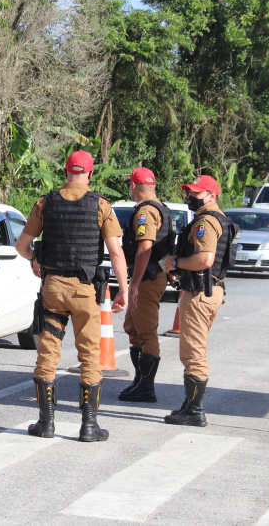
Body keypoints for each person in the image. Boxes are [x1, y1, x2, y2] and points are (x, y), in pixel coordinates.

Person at [16, 150, 129, 442]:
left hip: (53, 286)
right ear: (90, 174)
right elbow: (116, 252)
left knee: (47, 354)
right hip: (84, 290)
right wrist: (124, 291)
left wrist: (34, 260)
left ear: (65, 171)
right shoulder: (101, 205)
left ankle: (46, 423)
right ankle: (89, 427)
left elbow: (22, 245)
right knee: (90, 356)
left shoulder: (45, 203)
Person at [162, 175, 235, 427]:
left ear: (212, 196)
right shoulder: (219, 219)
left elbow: (204, 259)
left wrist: (175, 263)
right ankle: (189, 404)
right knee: (195, 349)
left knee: (193, 353)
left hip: (200, 293)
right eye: (190, 193)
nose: (191, 197)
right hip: (208, 290)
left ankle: (194, 410)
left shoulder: (206, 221)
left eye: (196, 193)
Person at [118, 167, 175, 403]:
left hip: (148, 278)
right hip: (152, 275)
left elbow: (145, 248)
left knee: (146, 331)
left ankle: (147, 387)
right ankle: (140, 381)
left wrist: (135, 284)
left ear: (133, 186)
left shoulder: (147, 212)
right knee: (133, 327)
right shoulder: (162, 208)